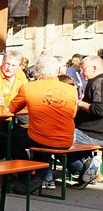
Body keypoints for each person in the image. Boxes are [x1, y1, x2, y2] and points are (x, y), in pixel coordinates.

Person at [7, 55, 89, 191]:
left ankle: (26, 177)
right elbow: (72, 114)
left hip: (40, 138)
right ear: (57, 71)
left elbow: (11, 110)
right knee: (37, 134)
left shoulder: (29, 88)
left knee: (12, 136)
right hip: (67, 139)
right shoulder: (71, 89)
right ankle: (40, 176)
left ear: (37, 70)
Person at [74, 55, 103, 185]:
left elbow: (99, 109)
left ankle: (86, 165)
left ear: (94, 67)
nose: (81, 72)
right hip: (91, 131)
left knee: (57, 136)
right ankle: (89, 169)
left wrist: (80, 104)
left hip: (92, 133)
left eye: (83, 68)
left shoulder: (99, 82)